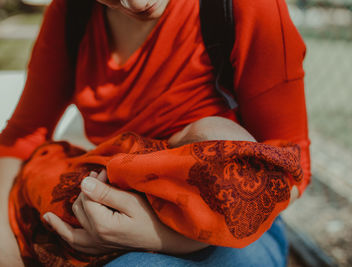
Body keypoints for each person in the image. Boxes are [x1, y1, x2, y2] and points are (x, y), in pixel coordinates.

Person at [0, 0, 311, 266]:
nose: (136, 3)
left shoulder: (240, 8)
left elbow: (294, 165)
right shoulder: (72, 12)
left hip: (237, 225)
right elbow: (22, 138)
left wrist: (164, 237)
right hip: (105, 205)